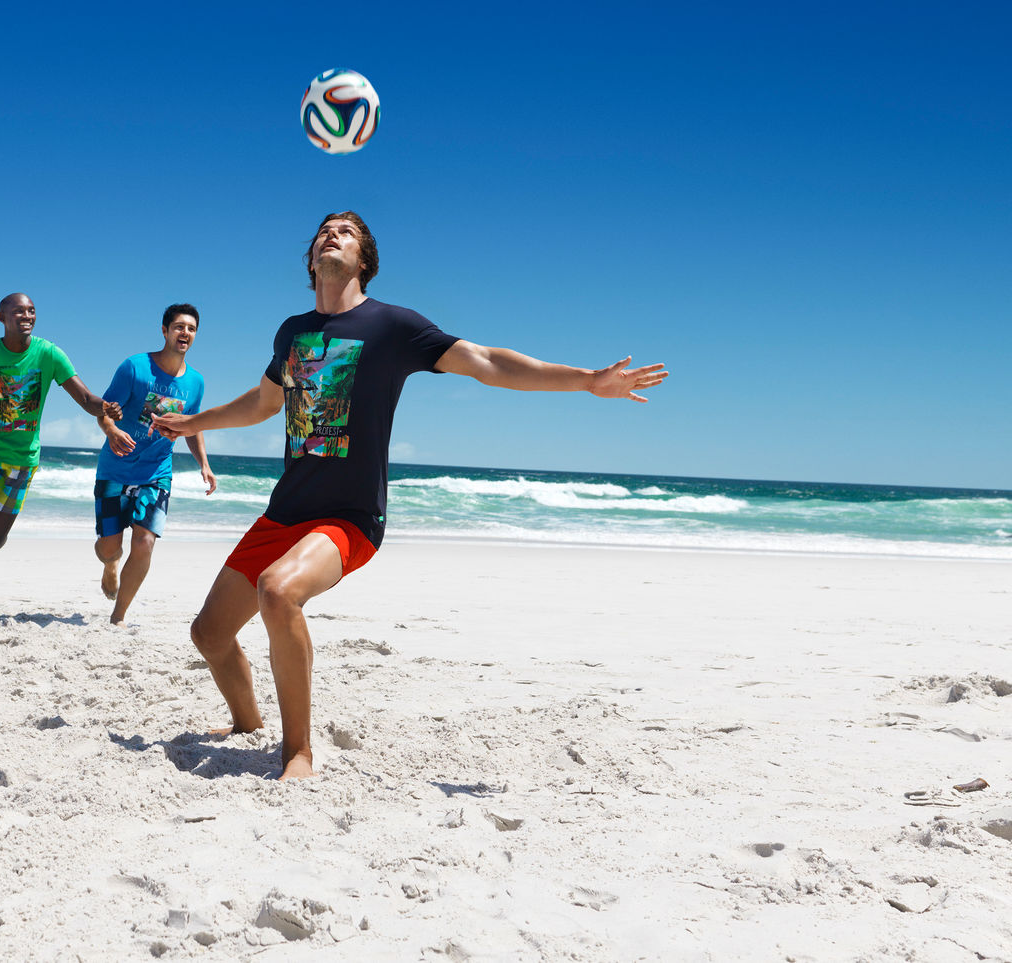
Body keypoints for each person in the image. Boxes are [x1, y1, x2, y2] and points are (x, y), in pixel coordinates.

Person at [153, 212, 668, 779]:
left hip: (348, 517)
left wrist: (588, 380)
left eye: (347, 232)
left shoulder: (391, 325)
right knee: (208, 634)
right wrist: (194, 422)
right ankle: (248, 722)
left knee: (279, 591)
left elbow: (486, 362)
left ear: (365, 260)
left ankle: (298, 752)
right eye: (325, 230)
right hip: (286, 510)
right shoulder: (292, 332)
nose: (332, 235)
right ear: (311, 261)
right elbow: (264, 402)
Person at [0, 292, 121, 616]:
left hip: (21, 457)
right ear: (2, 317)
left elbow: (85, 398)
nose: (27, 315)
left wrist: (104, 407)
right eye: (18, 310)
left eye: (31, 311)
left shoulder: (49, 354)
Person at [93, 303, 218, 626]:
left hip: (156, 472)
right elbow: (105, 410)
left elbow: (193, 426)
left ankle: (118, 616)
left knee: (145, 541)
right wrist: (112, 430)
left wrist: (204, 464)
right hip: (115, 468)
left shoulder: (196, 382)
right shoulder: (135, 367)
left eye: (191, 328)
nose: (185, 333)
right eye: (179, 327)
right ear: (165, 331)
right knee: (109, 548)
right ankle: (110, 566)